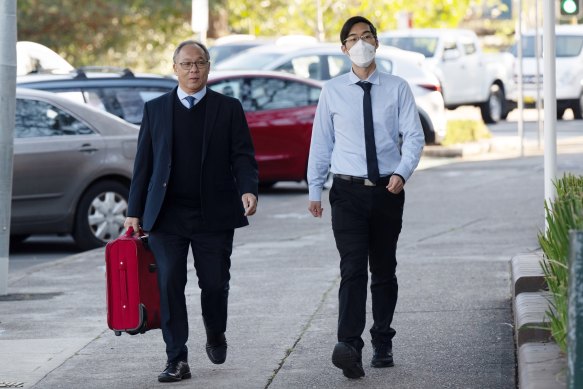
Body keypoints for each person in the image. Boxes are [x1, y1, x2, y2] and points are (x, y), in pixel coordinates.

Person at [124, 40, 258, 383]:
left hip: (213, 214)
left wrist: (248, 188)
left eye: (199, 63)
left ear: (209, 67)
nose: (193, 70)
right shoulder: (155, 110)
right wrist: (133, 210)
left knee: (214, 284)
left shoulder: (228, 108)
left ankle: (215, 332)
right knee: (169, 282)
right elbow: (144, 165)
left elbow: (242, 155)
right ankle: (177, 358)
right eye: (186, 64)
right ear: (175, 68)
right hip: (166, 216)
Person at [307, 16, 424, 379]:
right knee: (353, 269)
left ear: (377, 42)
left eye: (367, 36)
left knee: (384, 269)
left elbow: (414, 137)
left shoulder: (398, 87)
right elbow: (322, 142)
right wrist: (315, 188)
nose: (361, 43)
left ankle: (382, 338)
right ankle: (349, 346)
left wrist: (402, 173)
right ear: (344, 48)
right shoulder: (333, 91)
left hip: (388, 191)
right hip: (347, 192)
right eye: (354, 39)